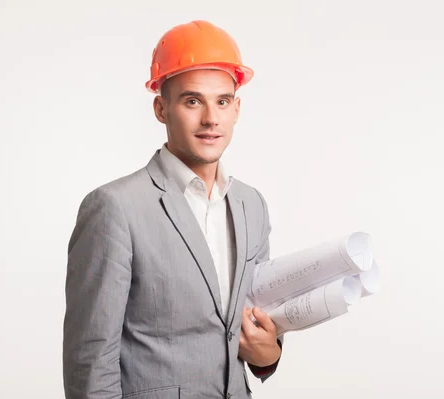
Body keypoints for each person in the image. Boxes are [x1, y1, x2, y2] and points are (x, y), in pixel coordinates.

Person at [63, 20, 282, 399]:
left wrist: (269, 356)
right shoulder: (115, 209)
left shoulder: (251, 204)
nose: (211, 118)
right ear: (161, 108)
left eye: (222, 101)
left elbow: (249, 326)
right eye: (192, 100)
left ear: (237, 109)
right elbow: (90, 362)